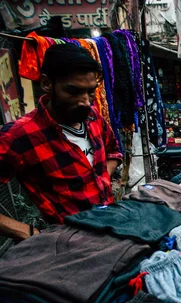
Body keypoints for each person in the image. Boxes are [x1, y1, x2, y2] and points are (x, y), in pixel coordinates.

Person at [0, 44, 122, 241]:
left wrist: (100, 179)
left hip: (111, 229)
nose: (85, 101)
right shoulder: (20, 135)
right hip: (68, 244)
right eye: (73, 91)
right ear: (47, 84)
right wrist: (27, 233)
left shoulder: (93, 118)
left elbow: (114, 152)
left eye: (90, 92)